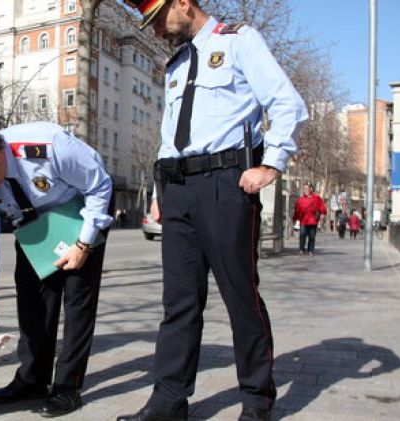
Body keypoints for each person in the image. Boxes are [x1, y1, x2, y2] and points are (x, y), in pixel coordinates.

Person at [118, 1, 307, 421]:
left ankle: (257, 402)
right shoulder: (175, 65)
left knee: (240, 296)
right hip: (177, 189)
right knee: (179, 302)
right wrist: (157, 189)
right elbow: (170, 135)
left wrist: (271, 164)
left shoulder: (239, 41)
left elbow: (286, 102)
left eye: (158, 19)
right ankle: (168, 401)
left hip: (225, 183)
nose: (155, 31)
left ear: (183, 4)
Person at [0, 119, 114, 417]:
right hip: (31, 219)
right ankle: (32, 380)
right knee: (32, 299)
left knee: (77, 298)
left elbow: (100, 185)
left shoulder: (49, 146)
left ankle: (68, 387)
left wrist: (83, 245)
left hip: (81, 208)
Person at [292, 183, 327, 256]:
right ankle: (301, 249)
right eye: (304, 189)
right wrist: (295, 219)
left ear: (311, 189)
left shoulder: (316, 198)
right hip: (303, 221)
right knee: (302, 235)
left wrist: (323, 214)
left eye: (307, 188)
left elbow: (322, 207)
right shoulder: (300, 199)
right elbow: (297, 210)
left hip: (313, 221)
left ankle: (310, 250)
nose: (305, 190)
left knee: (312, 237)